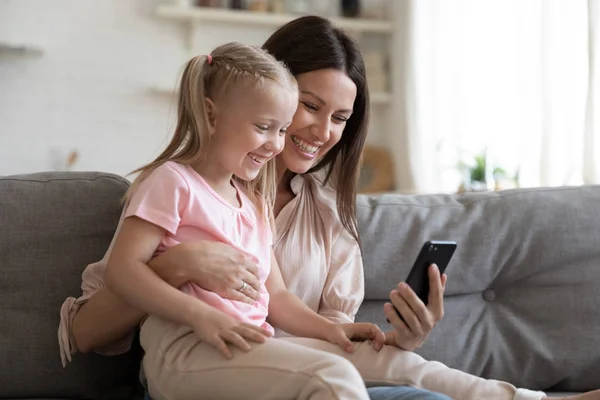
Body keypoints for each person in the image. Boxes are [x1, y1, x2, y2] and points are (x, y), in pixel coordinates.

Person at [60, 16, 600, 400]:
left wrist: (359, 333)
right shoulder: (173, 184)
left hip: (281, 357)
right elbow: (91, 328)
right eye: (307, 107)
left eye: (340, 117)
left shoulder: (290, 212)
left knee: (404, 371)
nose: (320, 132)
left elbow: (282, 302)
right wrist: (178, 267)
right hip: (207, 363)